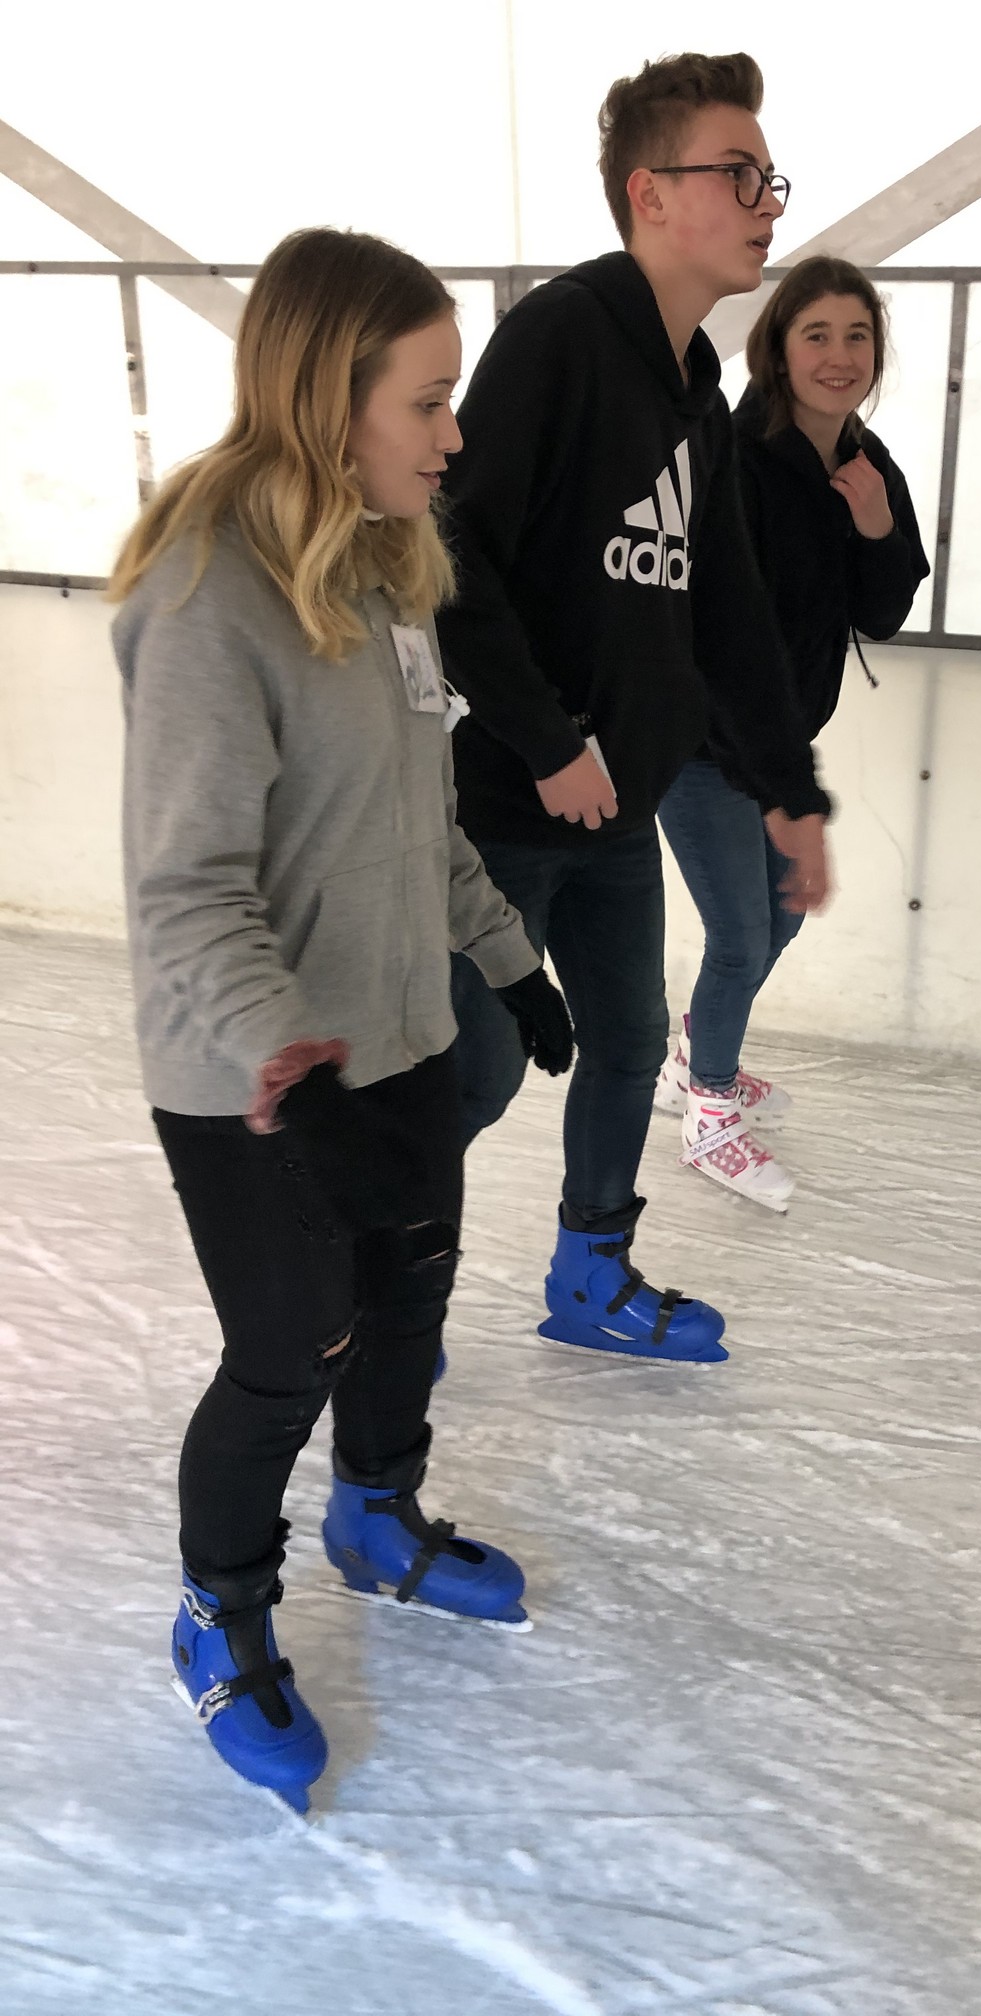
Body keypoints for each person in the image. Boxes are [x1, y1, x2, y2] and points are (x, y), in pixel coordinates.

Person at [110, 228, 572, 1812]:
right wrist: (288, 1062)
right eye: (428, 402)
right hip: (256, 1075)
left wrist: (504, 960)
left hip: (403, 1037)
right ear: (329, 399)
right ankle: (219, 1610)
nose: (454, 434)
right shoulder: (207, 596)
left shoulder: (386, 572)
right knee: (289, 1348)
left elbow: (421, 820)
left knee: (409, 1302)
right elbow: (185, 887)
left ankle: (377, 1516)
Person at [437, 52, 831, 1364]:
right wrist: (548, 743)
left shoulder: (696, 393)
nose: (766, 202)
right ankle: (366, 1296)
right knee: (474, 1071)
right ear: (649, 192)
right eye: (739, 173)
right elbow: (451, 555)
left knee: (624, 1048)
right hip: (512, 805)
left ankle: (590, 1279)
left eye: (769, 177)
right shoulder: (562, 336)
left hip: (620, 812)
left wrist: (788, 792)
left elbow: (729, 614)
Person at [655, 256, 930, 1210]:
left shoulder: (866, 462)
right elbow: (716, 631)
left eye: (857, 336)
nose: (839, 355)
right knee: (741, 935)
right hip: (701, 743)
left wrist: (876, 524)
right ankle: (709, 1109)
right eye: (817, 334)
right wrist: (772, 770)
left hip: (779, 743)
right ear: (777, 350)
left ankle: (695, 1057)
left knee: (777, 919)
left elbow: (883, 613)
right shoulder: (730, 459)